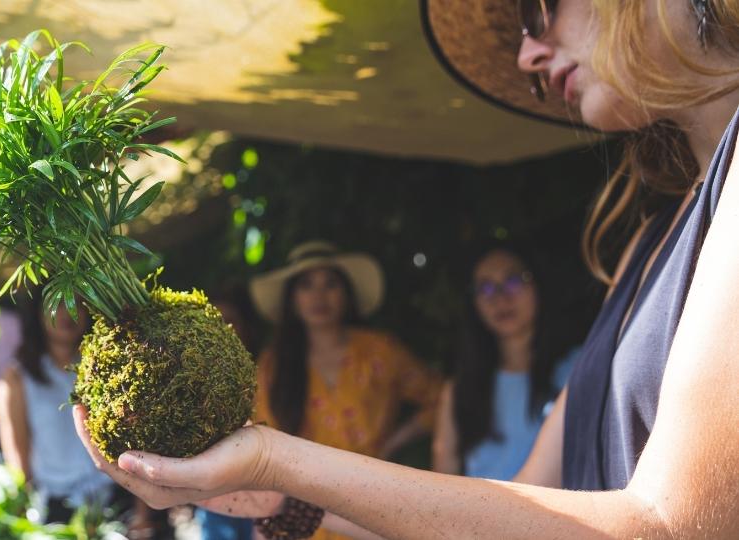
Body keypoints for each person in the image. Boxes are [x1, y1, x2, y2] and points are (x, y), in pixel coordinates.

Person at [73, 0, 739, 537]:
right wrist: (282, 498)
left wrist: (282, 459)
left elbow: (670, 524)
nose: (528, 55)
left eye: (539, 11)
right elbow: (536, 504)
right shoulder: (647, 244)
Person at [249, 241, 441, 464]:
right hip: (302, 492)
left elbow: (441, 398)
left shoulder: (380, 350)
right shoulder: (273, 363)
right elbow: (263, 435)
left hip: (377, 485)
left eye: (330, 284)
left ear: (347, 293)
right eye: (306, 285)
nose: (319, 296)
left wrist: (395, 441)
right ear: (292, 300)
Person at [432, 244, 578, 480]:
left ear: (538, 285)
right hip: (480, 515)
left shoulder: (580, 369)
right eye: (486, 288)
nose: (500, 297)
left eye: (513, 280)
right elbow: (443, 478)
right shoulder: (459, 389)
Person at [0, 298, 117, 523]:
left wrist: (142, 511)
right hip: (57, 509)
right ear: (37, 313)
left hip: (114, 499)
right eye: (57, 303)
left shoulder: (106, 367)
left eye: (76, 303)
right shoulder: (17, 379)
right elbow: (18, 458)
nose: (68, 312)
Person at [196, 284, 261, 540]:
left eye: (230, 321)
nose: (224, 329)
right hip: (217, 490)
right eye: (214, 321)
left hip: (263, 484)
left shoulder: (264, 370)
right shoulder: (196, 379)